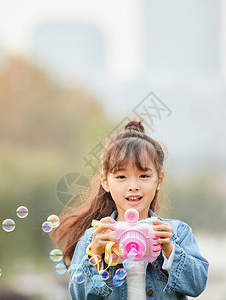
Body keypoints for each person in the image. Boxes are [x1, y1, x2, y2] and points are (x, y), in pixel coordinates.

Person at [52, 120, 209, 299]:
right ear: (105, 181)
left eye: (143, 175)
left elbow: (198, 284)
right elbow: (79, 296)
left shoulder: (176, 233)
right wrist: (95, 254)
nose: (133, 186)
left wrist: (169, 249)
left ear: (159, 180)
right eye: (121, 176)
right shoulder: (94, 238)